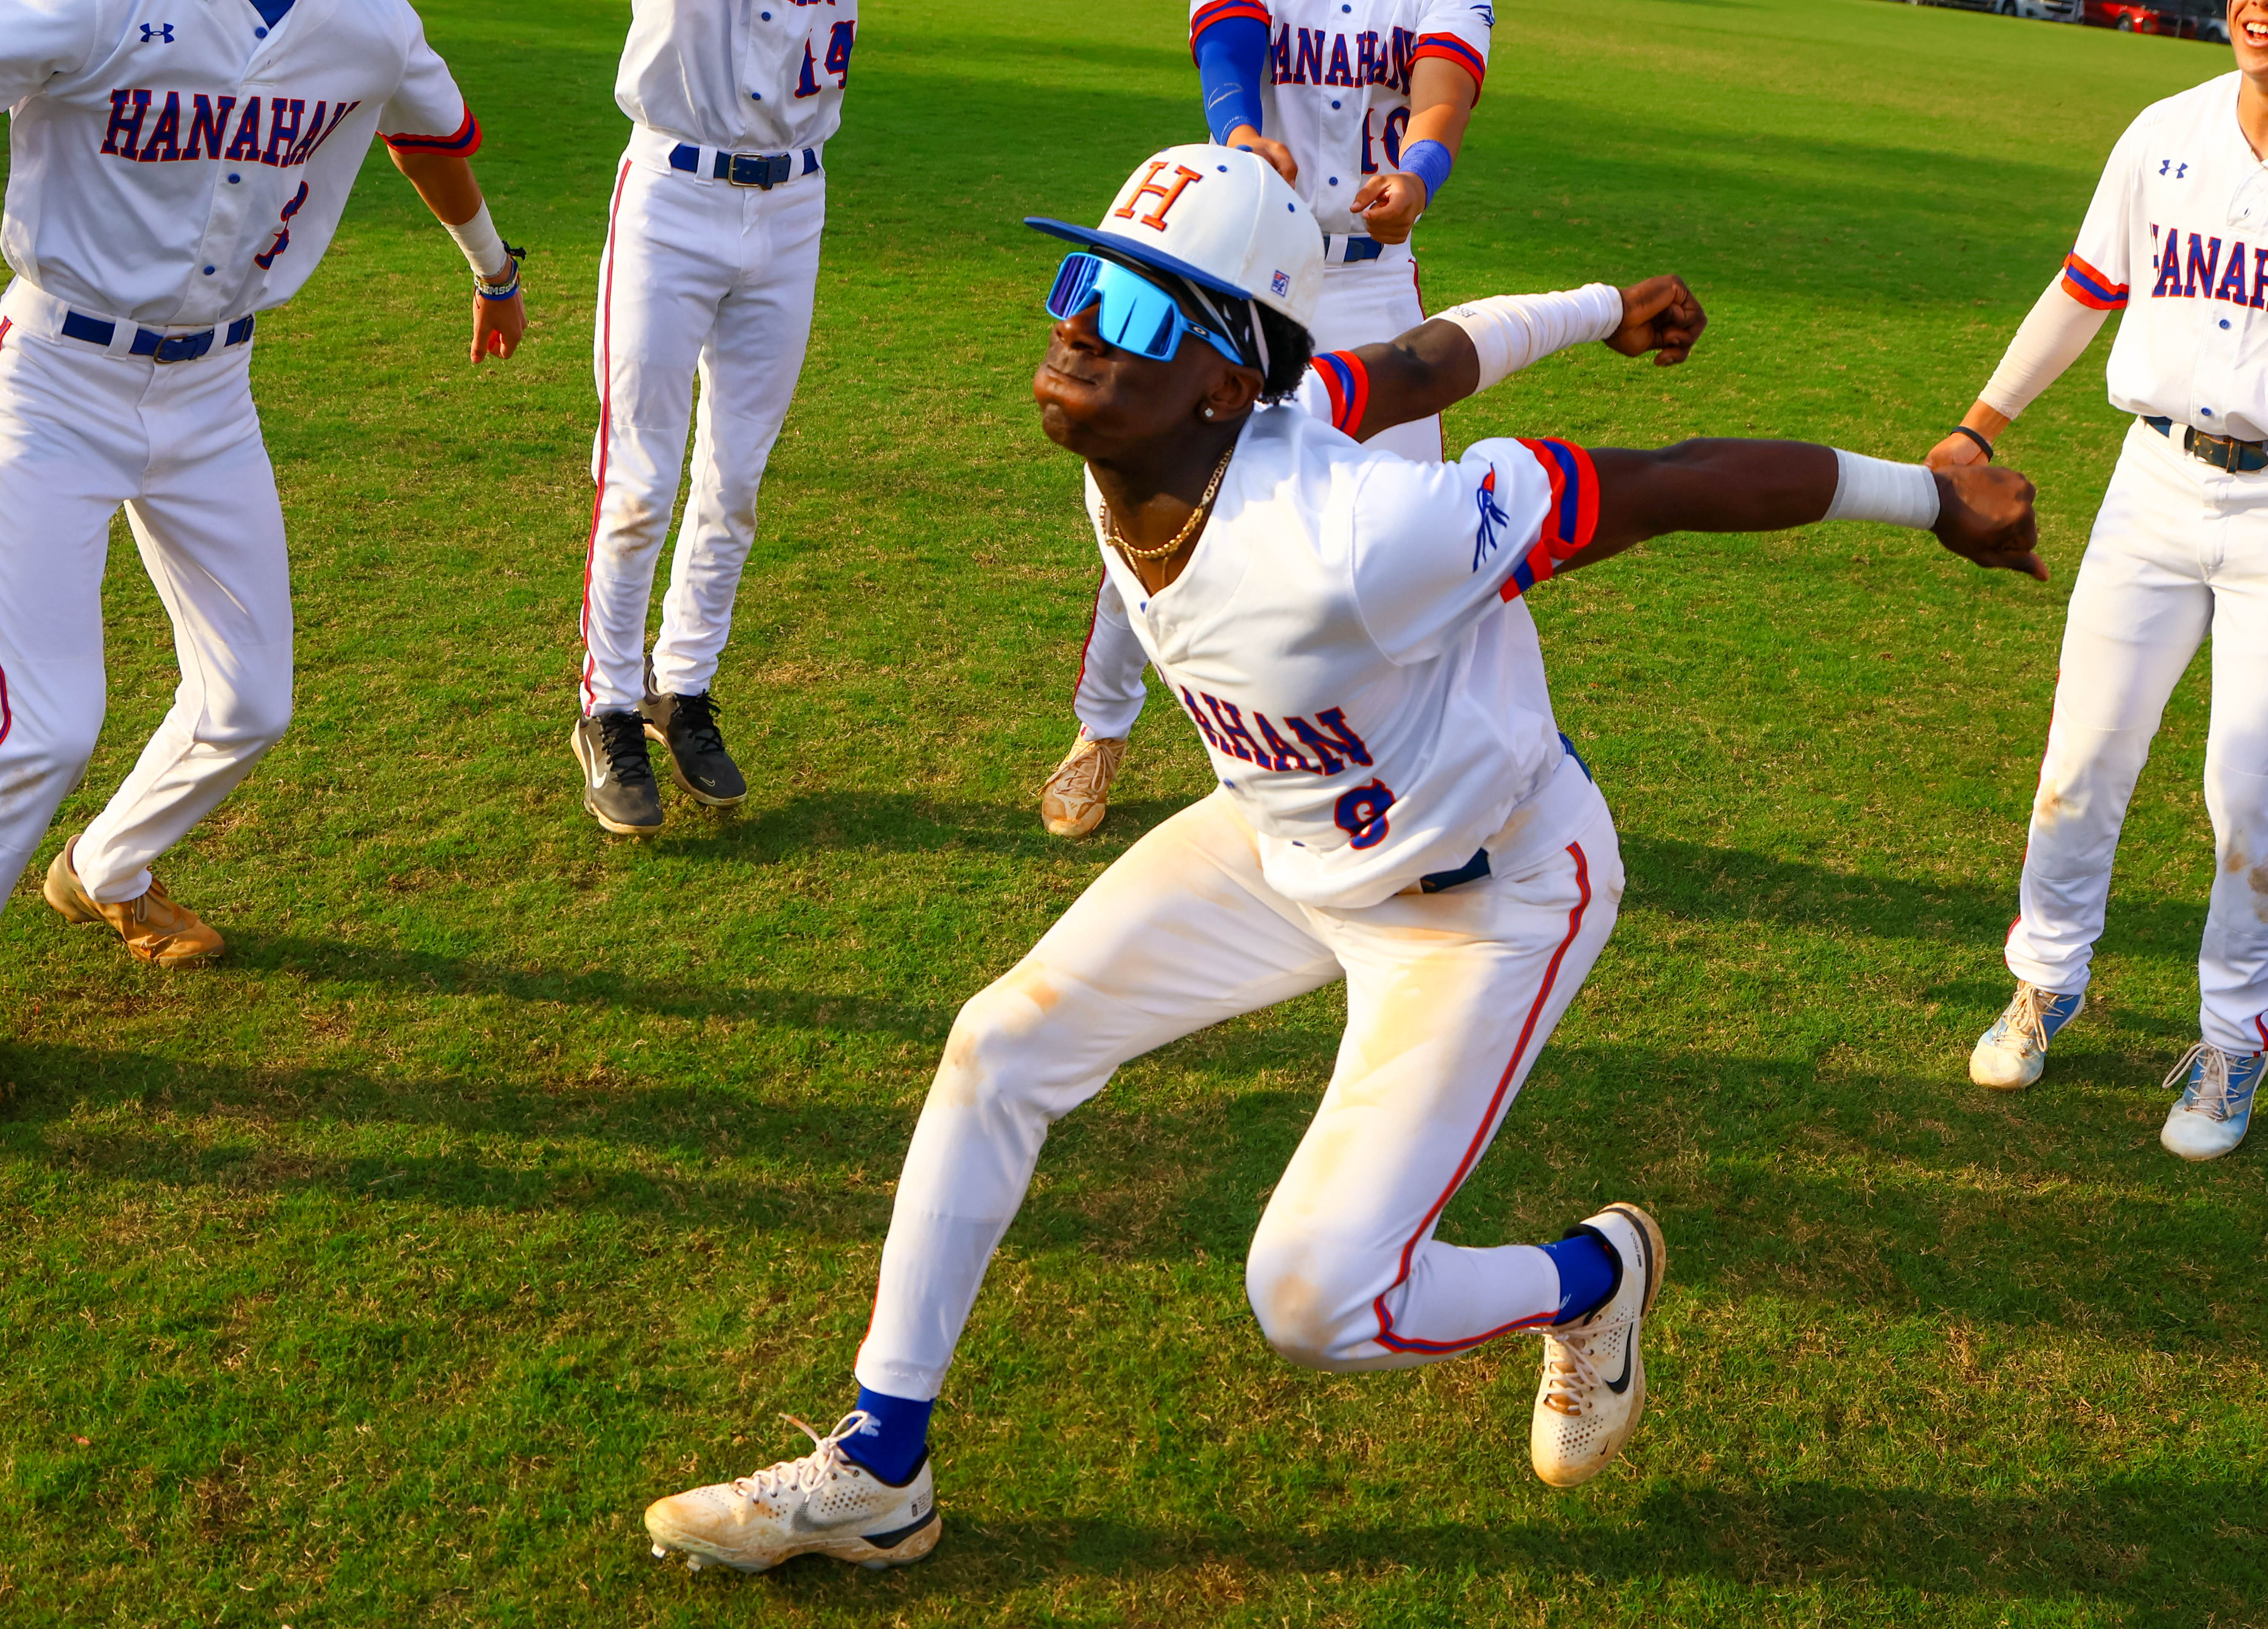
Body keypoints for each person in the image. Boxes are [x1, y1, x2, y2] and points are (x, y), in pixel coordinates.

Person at [638, 145, 2044, 1577]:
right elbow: (1426, 360)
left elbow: (1669, 483)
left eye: (1131, 316)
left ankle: (1594, 1275)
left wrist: (1935, 503)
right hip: (1283, 836)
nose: (1075, 332)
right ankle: (881, 1466)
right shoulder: (1173, 433)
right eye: (1075, 290)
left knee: (1314, 1304)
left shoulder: (1360, 539)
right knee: (998, 1045)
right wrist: (1599, 302)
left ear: (1221, 384)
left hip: (1486, 895)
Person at [1934, 0, 2268, 1161]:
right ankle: (2043, 982)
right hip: (2151, 482)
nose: (2261, 2)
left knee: (2250, 794)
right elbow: (2082, 288)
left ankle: (2230, 1040)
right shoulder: (2166, 126)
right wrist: (1976, 426)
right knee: (2079, 760)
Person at [0, 0, 527, 965]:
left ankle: (106, 870)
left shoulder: (368, 22)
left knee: (249, 703)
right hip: (50, 381)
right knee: (42, 729)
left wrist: (494, 272)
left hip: (212, 393)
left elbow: (427, 137)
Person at [1037, 0, 1496, 840]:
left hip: (1374, 280)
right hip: (1248, 284)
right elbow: (1228, 45)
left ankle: (1418, 757)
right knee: (1170, 512)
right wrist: (1239, 133)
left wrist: (1421, 173)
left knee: (1411, 525)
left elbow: (1444, 89)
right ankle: (1101, 727)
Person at [566, 0, 858, 836]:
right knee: (638, 483)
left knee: (735, 482)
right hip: (672, 198)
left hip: (795, 204)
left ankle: (683, 692)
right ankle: (609, 706)